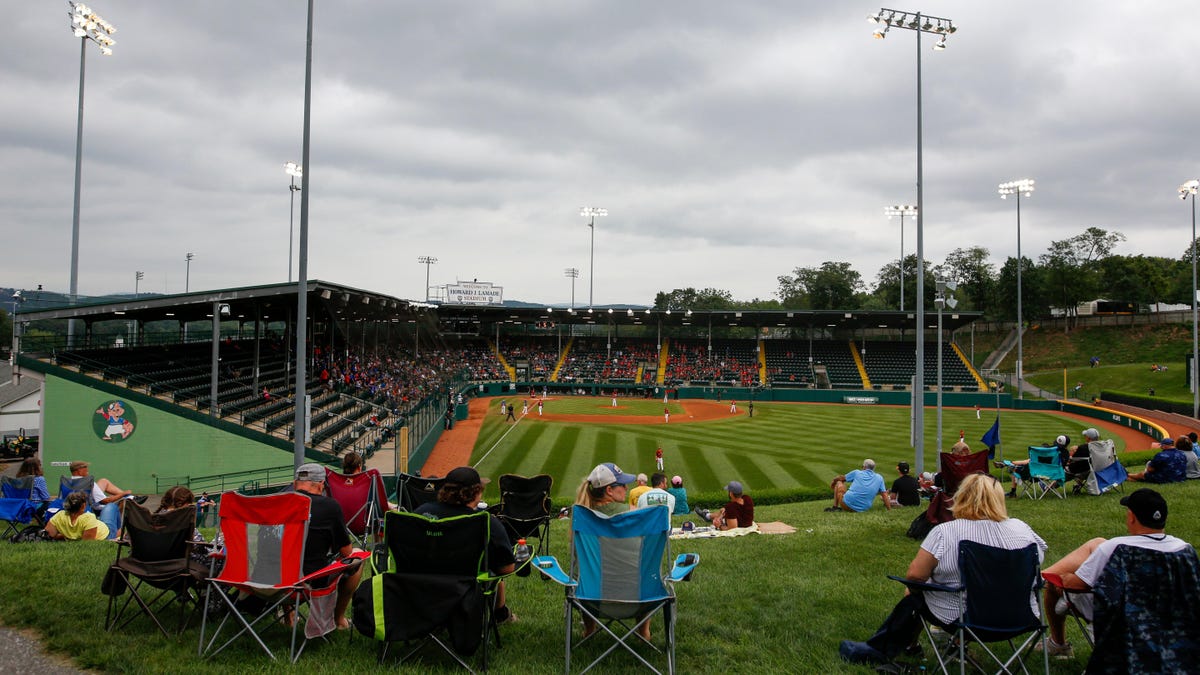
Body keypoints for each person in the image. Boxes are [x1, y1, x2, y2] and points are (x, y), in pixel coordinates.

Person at [840, 473, 1047, 664]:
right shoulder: (1023, 529)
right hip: (1023, 616)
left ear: (961, 497)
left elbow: (915, 576)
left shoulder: (947, 532)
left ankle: (888, 648)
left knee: (915, 593)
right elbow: (1039, 561)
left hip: (966, 619)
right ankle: (933, 645)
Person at [1040, 488, 1192, 658]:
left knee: (1055, 584)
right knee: (1096, 544)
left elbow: (1077, 585)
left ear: (1132, 517)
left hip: (1120, 618)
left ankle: (1058, 643)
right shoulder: (1184, 548)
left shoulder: (1116, 548)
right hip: (1170, 616)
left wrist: (1066, 578)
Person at [416, 466, 518, 626]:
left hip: (419, 591)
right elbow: (507, 568)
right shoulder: (486, 522)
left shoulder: (421, 512)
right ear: (476, 493)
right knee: (494, 573)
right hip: (465, 594)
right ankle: (500, 614)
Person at [574, 462, 646, 639]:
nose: (626, 487)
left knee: (585, 570)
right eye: (622, 485)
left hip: (591, 600)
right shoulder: (638, 515)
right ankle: (644, 632)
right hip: (642, 598)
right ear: (609, 491)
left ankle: (589, 630)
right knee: (643, 569)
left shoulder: (583, 518)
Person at [293, 463, 363, 630]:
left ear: (295, 483)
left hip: (275, 580)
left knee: (288, 558)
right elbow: (346, 552)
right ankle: (338, 619)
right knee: (357, 555)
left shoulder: (278, 504)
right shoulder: (329, 506)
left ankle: (289, 618)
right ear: (320, 485)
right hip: (310, 579)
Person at [69, 461, 144, 540]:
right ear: (79, 470)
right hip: (92, 508)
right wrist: (124, 493)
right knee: (113, 505)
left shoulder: (66, 482)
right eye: (85, 467)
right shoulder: (89, 483)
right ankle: (130, 498)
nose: (87, 469)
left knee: (104, 481)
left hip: (80, 506)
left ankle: (131, 497)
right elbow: (106, 501)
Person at [45, 491, 109, 541]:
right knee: (110, 506)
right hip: (105, 534)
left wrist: (68, 536)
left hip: (99, 528)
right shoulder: (89, 518)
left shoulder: (59, 516)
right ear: (83, 506)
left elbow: (48, 535)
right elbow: (88, 543)